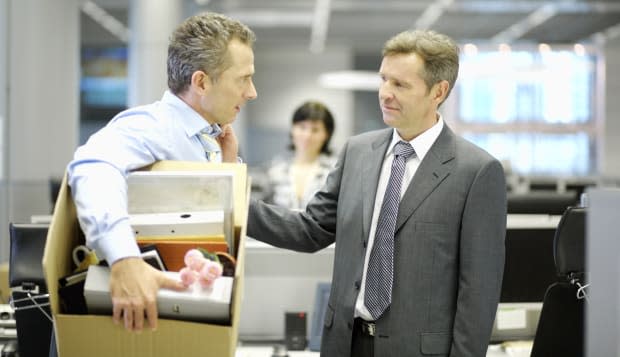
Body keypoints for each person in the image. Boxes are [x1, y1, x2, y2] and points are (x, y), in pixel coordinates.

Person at [247, 30, 506, 357]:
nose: (385, 93)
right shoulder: (358, 152)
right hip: (345, 343)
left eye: (401, 85)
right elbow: (310, 229)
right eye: (384, 79)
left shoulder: (476, 172)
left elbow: (479, 291)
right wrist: (232, 200)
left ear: (438, 91)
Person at [67, 12, 257, 332]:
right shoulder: (150, 128)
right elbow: (92, 168)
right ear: (201, 82)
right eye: (243, 79)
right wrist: (124, 260)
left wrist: (226, 169)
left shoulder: (211, 141)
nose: (252, 92)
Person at [262, 101, 336, 209]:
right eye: (302, 127)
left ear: (326, 135)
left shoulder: (334, 172)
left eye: (315, 130)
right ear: (292, 129)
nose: (307, 135)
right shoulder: (275, 171)